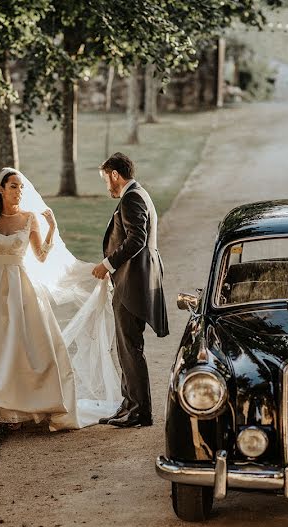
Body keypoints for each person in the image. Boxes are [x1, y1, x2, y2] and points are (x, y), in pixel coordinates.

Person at [0, 168, 121, 430]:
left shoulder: (29, 219)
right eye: (13, 186)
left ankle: (23, 404)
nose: (19, 192)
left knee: (24, 343)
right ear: (1, 189)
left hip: (19, 284)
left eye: (21, 187)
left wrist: (51, 229)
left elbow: (41, 256)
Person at [93, 153, 169, 428]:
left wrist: (108, 264)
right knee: (126, 346)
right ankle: (129, 405)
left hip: (133, 283)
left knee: (130, 347)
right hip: (133, 281)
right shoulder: (139, 193)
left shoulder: (131, 197)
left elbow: (136, 237)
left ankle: (140, 412)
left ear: (114, 174)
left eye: (106, 179)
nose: (107, 186)